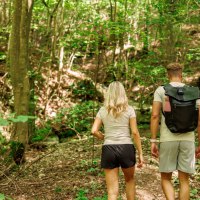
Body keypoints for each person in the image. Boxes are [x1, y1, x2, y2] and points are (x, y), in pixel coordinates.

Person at [150, 62, 200, 200]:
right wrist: (199, 144)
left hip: (167, 139)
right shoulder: (193, 92)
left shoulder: (161, 90)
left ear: (168, 75)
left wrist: (153, 140)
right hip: (188, 139)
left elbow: (155, 116)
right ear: (181, 75)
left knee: (166, 178)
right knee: (184, 180)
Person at [91, 81, 143, 200]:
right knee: (129, 181)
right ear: (122, 93)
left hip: (109, 149)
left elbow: (94, 130)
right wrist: (140, 153)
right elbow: (135, 132)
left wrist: (104, 137)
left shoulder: (103, 110)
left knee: (112, 192)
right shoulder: (129, 109)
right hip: (126, 148)